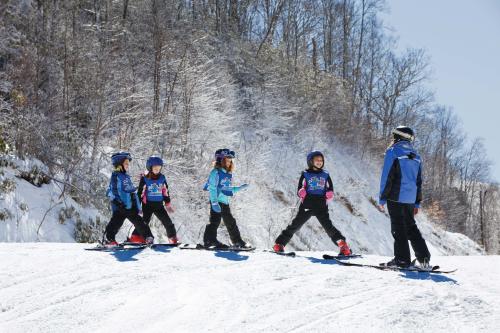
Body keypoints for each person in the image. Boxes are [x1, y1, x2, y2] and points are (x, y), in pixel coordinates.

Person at [273, 151, 351, 255]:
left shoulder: (326, 174)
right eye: (317, 160)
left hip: (321, 205)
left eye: (321, 160)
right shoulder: (305, 174)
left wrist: (330, 192)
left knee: (328, 227)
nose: (319, 162)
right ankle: (280, 244)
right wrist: (301, 192)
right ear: (310, 161)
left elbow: (330, 187)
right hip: (307, 204)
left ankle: (343, 246)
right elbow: (300, 187)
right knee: (295, 225)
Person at [378, 126, 431, 268]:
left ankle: (402, 260)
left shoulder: (393, 151)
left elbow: (387, 176)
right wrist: (417, 203)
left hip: (395, 196)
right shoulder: (416, 156)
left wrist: (382, 198)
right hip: (410, 199)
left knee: (398, 228)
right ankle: (424, 259)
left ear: (397, 137)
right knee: (411, 227)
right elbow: (419, 181)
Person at [202, 149, 250, 248]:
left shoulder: (227, 174)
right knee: (215, 221)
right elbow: (212, 188)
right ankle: (209, 240)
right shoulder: (215, 172)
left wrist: (239, 188)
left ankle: (237, 241)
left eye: (230, 161)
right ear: (220, 160)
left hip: (224, 201)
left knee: (230, 221)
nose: (229, 162)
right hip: (217, 201)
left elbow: (227, 189)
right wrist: (214, 202)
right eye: (227, 160)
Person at [103, 152, 154, 246]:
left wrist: (137, 206)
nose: (128, 165)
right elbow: (111, 191)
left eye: (128, 164)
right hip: (120, 207)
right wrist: (118, 203)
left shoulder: (126, 177)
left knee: (139, 221)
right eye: (126, 163)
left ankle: (147, 237)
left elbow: (132, 192)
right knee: (115, 223)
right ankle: (109, 239)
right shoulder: (116, 176)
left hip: (129, 207)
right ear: (119, 164)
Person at [128, 155, 178, 244]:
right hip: (147, 205)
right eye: (155, 168)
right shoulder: (145, 178)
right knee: (144, 222)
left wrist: (167, 203)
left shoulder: (162, 178)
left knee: (167, 222)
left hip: (159, 206)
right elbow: (140, 193)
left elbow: (165, 191)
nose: (157, 170)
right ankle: (136, 237)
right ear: (150, 167)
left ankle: (172, 237)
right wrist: (138, 207)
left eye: (159, 168)